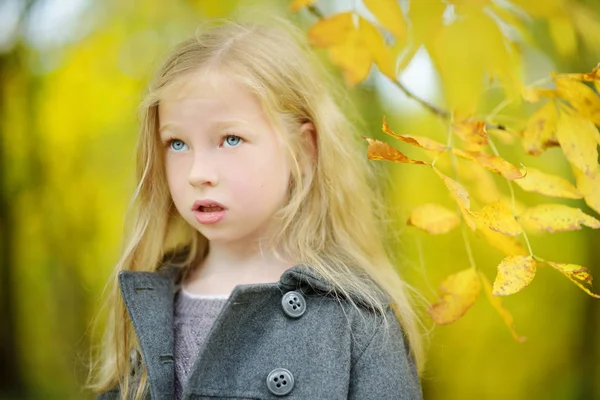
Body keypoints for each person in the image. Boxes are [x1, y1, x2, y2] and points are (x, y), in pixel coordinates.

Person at [88, 17, 426, 400]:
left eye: (231, 139)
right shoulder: (148, 299)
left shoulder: (356, 320)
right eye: (177, 144)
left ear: (303, 149)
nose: (198, 173)